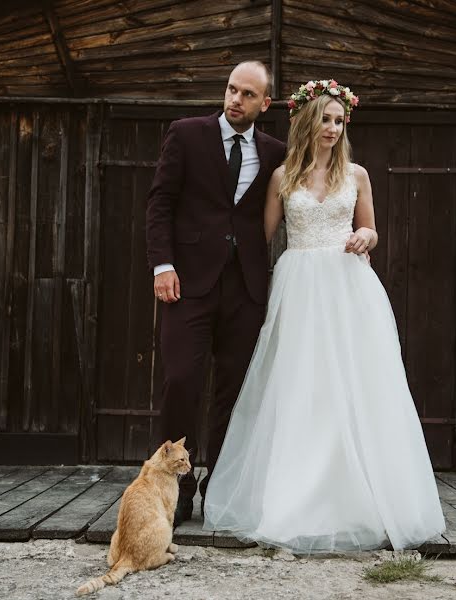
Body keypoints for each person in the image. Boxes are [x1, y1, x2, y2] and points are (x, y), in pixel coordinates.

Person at [203, 80, 446, 553]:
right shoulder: (282, 178)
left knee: (352, 386)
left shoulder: (357, 175)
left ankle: (359, 499)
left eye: (339, 121)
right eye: (325, 119)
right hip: (298, 287)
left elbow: (370, 228)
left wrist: (367, 239)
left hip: (346, 287)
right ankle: (294, 496)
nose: (333, 129)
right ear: (306, 122)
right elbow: (260, 239)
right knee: (300, 387)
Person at [145, 61, 287, 527]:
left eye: (247, 94)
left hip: (244, 287)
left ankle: (220, 485)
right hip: (186, 283)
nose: (235, 100)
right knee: (182, 379)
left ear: (264, 104)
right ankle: (177, 487)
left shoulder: (274, 152)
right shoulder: (186, 134)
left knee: (233, 389)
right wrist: (162, 265)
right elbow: (160, 202)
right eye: (231, 90)